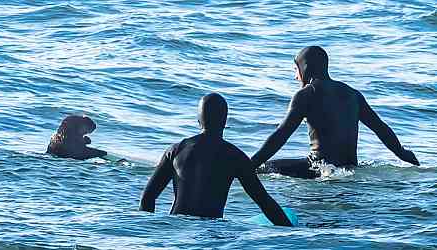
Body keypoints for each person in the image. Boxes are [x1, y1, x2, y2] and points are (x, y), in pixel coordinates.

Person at [252, 46, 420, 179]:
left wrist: (251, 164)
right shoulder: (353, 94)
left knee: (263, 169)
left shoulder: (306, 94)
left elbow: (280, 135)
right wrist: (402, 153)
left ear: (305, 68)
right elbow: (380, 128)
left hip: (321, 168)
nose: (295, 76)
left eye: (296, 69)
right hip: (350, 167)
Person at [139, 93, 292, 226]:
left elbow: (147, 198)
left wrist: (150, 232)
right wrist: (291, 232)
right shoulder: (235, 156)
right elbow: (265, 202)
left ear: (198, 121)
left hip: (178, 228)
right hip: (211, 231)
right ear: (225, 122)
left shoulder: (175, 150)